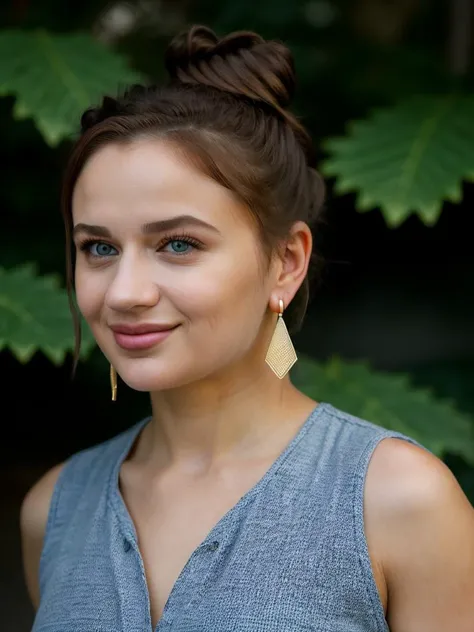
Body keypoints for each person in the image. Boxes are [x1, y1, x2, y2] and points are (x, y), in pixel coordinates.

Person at [20, 24, 474, 632]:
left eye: (177, 244)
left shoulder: (396, 502)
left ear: (286, 262)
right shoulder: (54, 511)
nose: (125, 292)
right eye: (98, 248)